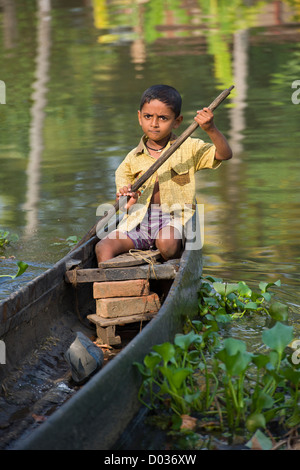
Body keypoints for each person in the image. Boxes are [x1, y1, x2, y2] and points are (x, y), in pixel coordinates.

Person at [95, 84, 232, 265]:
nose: (154, 123)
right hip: (139, 221)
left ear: (177, 121)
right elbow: (124, 198)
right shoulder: (131, 159)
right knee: (103, 247)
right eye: (148, 116)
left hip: (175, 220)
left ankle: (169, 279)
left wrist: (211, 129)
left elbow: (224, 154)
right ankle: (110, 288)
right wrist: (127, 199)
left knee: (166, 243)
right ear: (139, 117)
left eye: (163, 118)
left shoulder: (188, 148)